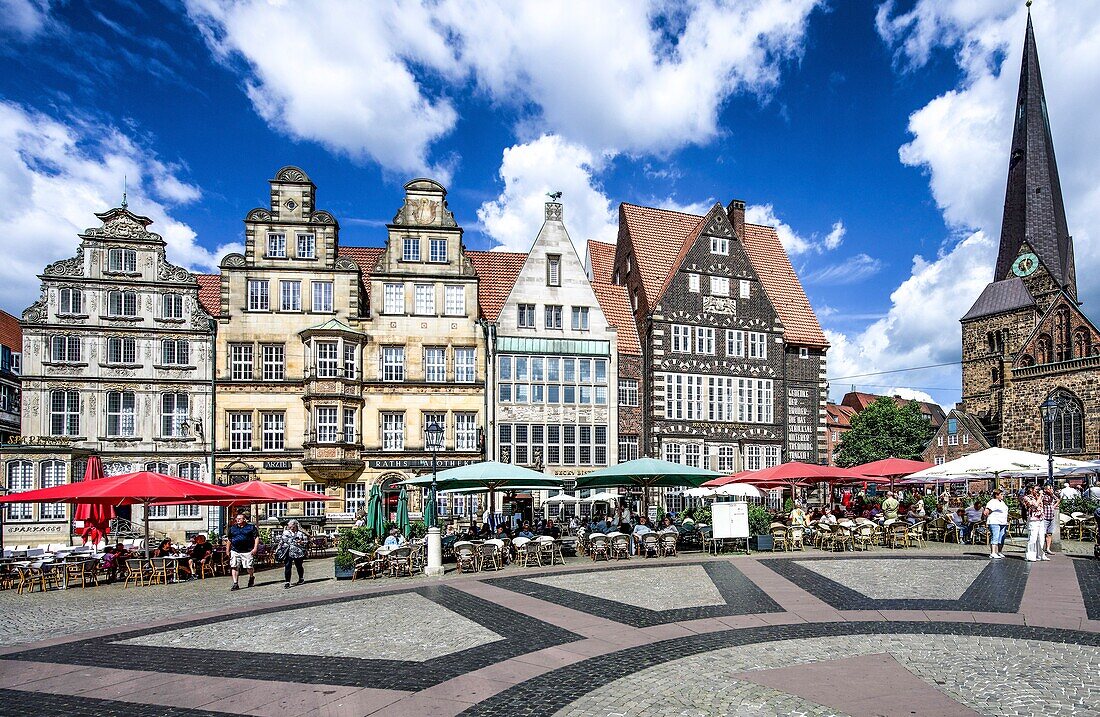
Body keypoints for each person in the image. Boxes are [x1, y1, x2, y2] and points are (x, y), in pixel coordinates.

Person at [225, 512, 259, 590]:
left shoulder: (251, 527)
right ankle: (235, 583)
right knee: (234, 566)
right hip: (235, 550)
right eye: (237, 518)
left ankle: (251, 576)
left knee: (249, 567)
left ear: (244, 519)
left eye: (240, 518)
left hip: (247, 550)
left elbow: (256, 537)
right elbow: (229, 539)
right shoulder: (233, 528)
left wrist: (255, 548)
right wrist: (227, 549)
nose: (238, 520)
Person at [277, 519, 310, 589]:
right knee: (287, 566)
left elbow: (306, 541)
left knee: (299, 566)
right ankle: (287, 582)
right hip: (288, 551)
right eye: (289, 526)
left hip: (298, 552)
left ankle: (301, 578)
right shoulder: (286, 532)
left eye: (291, 526)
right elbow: (283, 541)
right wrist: (278, 549)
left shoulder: (300, 533)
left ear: (295, 525)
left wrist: (302, 542)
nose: (289, 527)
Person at [1022, 485, 1046, 562]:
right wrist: (1040, 496)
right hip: (1033, 520)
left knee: (1041, 538)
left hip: (1041, 519)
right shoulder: (1027, 497)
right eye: (1036, 489)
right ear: (1031, 489)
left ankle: (1041, 554)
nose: (1037, 491)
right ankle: (1030, 555)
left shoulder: (1038, 496)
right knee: (1033, 538)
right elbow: (1034, 505)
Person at [983, 489, 1009, 559]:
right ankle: (993, 553)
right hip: (995, 522)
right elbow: (986, 512)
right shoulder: (992, 502)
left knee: (1001, 538)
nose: (1002, 495)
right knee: (995, 537)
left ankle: (999, 552)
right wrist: (987, 517)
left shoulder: (1002, 502)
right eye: (1001, 494)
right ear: (996, 495)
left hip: (1003, 522)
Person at [1041, 484, 1060, 557]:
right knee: (1043, 534)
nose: (1051, 490)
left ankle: (1048, 549)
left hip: (1051, 517)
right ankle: (1042, 549)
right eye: (1050, 489)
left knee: (1049, 533)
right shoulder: (1043, 496)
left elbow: (1058, 500)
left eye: (1051, 488)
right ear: (1046, 489)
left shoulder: (1052, 496)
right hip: (1044, 517)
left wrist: (1054, 506)